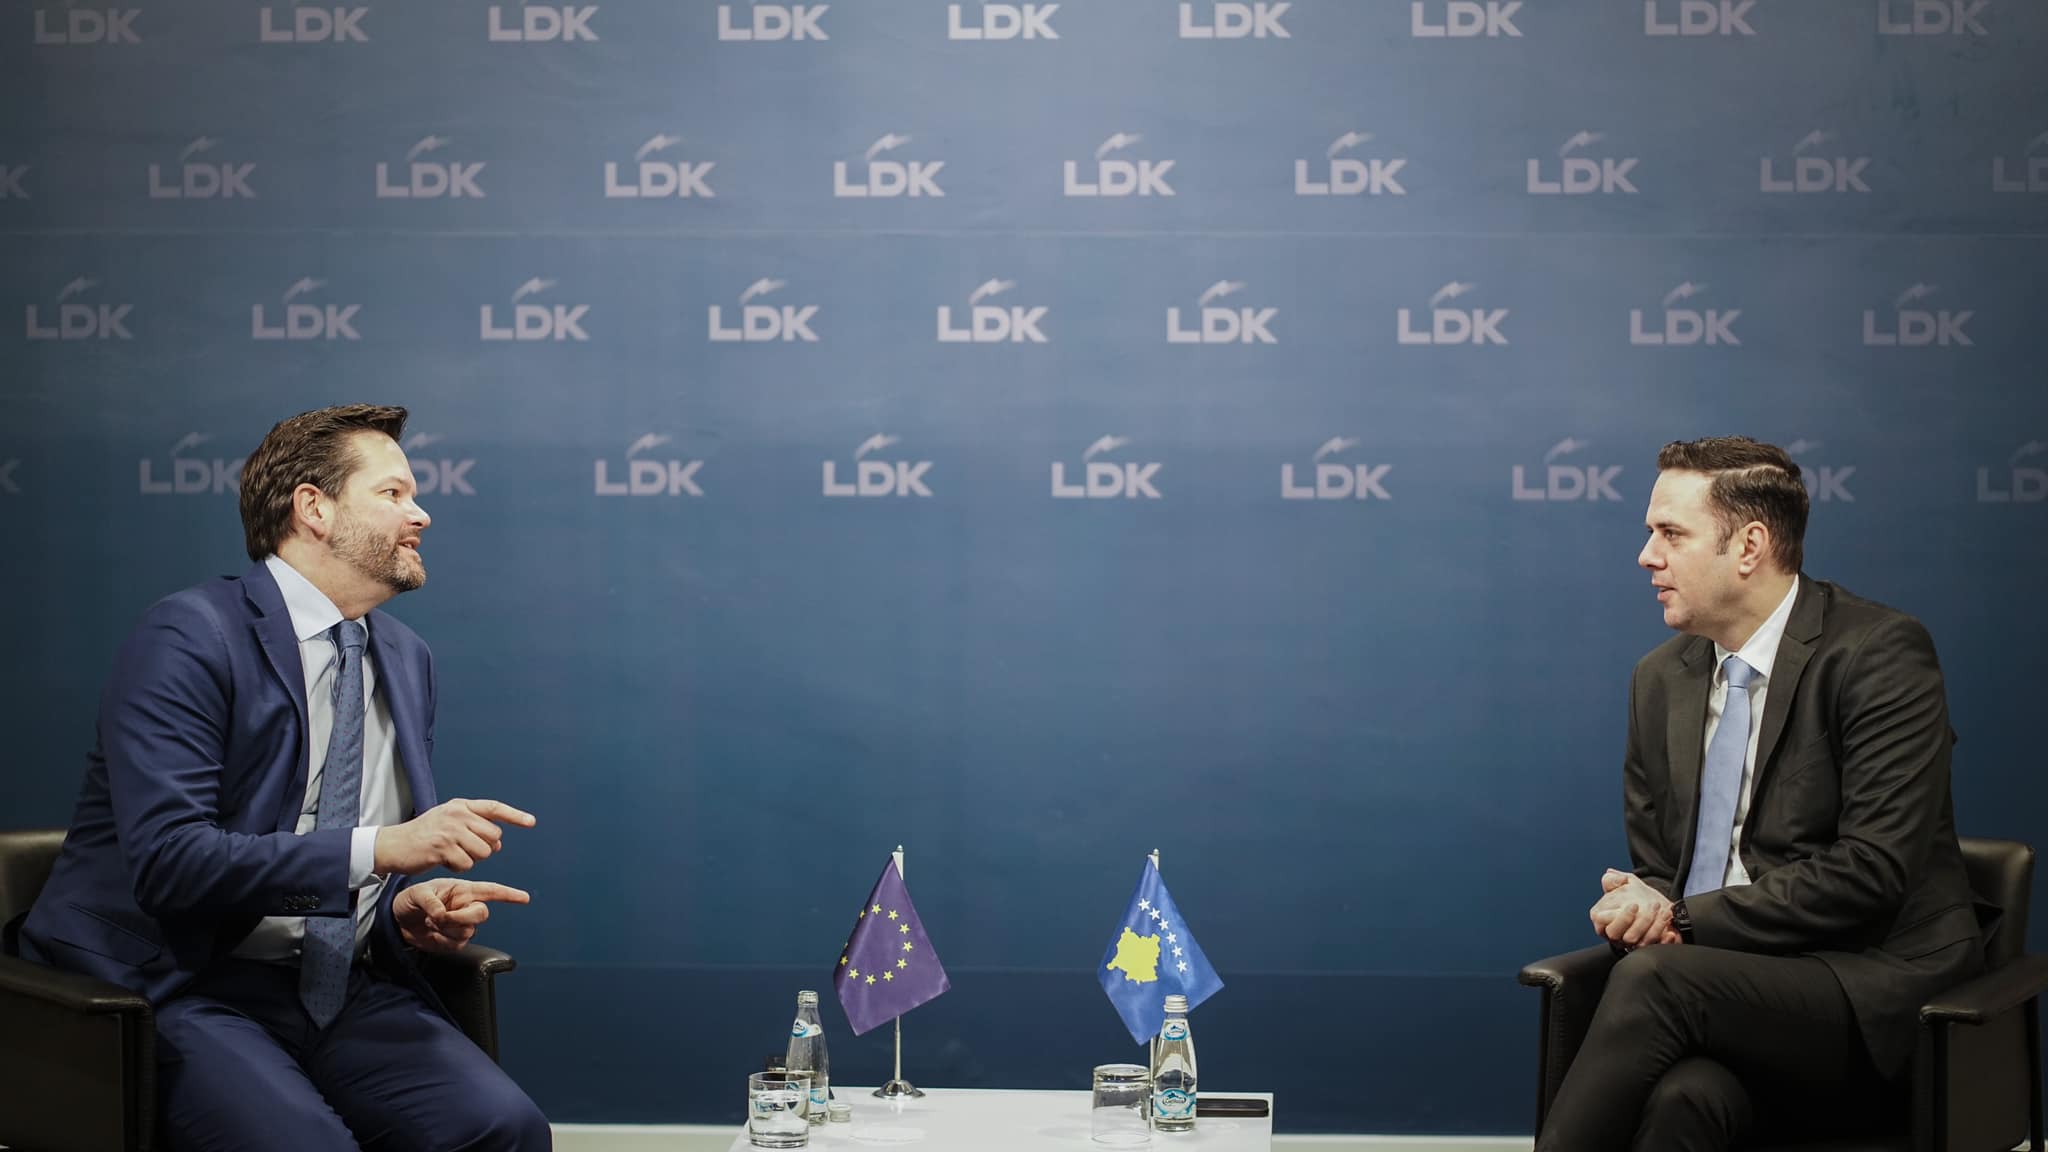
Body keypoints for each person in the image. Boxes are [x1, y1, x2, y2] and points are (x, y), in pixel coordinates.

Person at [16, 404, 550, 1151]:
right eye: (393, 493)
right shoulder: (189, 635)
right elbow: (171, 862)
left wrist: (400, 910)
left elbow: (344, 848)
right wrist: (380, 850)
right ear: (313, 508)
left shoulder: (406, 657)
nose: (421, 513)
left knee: (505, 1129)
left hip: (336, 985)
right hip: (182, 983)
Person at [1535, 436, 1984, 1152]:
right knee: (1686, 1101)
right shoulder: (1660, 678)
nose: (1647, 556)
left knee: (1655, 982)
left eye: (1671, 533)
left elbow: (1872, 870)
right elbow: (1662, 866)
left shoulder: (1878, 654)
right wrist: (1644, 902)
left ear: (1749, 546)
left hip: (1866, 985)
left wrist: (1682, 919)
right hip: (1723, 990)